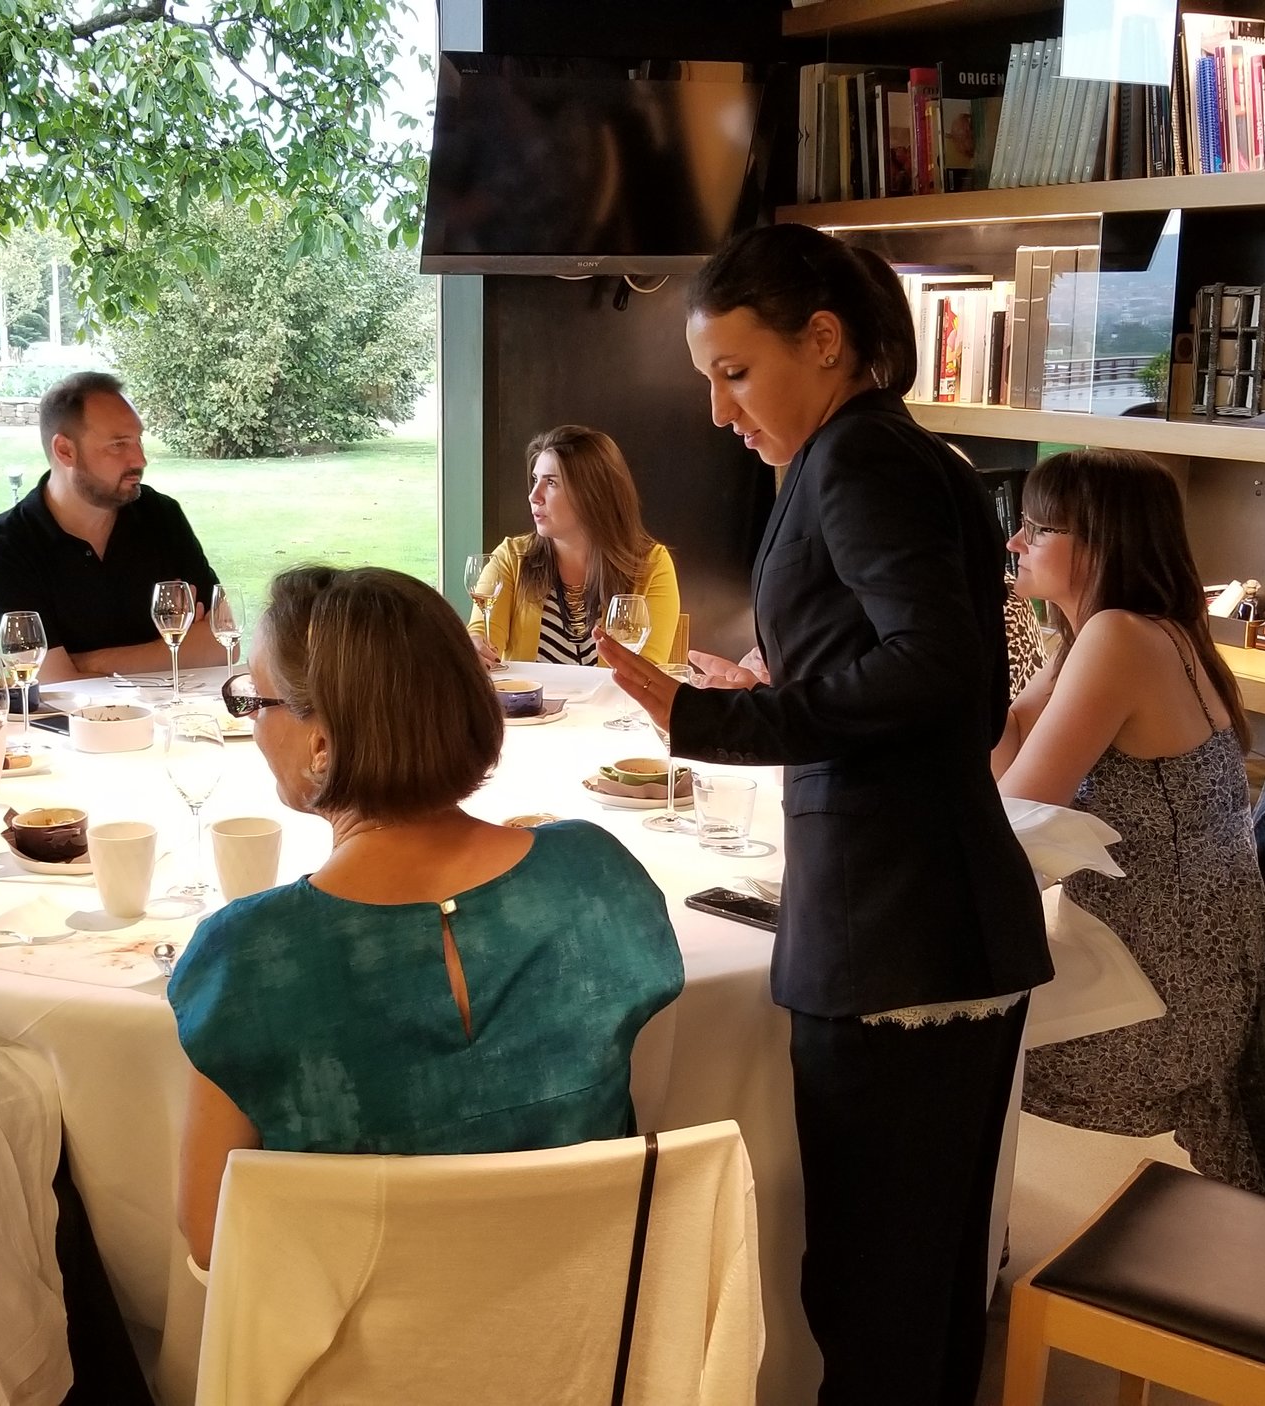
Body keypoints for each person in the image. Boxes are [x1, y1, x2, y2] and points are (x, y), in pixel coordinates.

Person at [598, 223, 1051, 1406]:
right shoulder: (887, 453)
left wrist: (724, 724)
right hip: (934, 919)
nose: (716, 410)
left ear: (825, 340)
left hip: (898, 934)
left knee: (870, 1302)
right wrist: (771, 689)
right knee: (920, 1296)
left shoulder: (857, 460)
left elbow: (941, 672)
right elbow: (943, 674)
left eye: (735, 373)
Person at [168, 565, 684, 1268]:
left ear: (323, 742)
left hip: (355, 1362)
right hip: (585, 1350)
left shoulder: (248, 956)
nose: (254, 726)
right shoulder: (598, 880)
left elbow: (210, 1234)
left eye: (257, 701)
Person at [990, 448, 1265, 1191]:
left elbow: (1011, 812)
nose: (1015, 544)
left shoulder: (1117, 639)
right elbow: (1005, 748)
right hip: (1179, 968)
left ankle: (970, 1262)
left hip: (1160, 995)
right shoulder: (1122, 633)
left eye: (1036, 530)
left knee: (943, 1032)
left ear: (1101, 546)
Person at [0, 370, 220, 681]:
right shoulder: (3, 550)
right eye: (118, 444)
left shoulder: (160, 516)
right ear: (65, 451)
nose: (139, 459)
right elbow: (50, 685)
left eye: (138, 440)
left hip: (177, 723)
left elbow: (222, 645)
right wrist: (169, 654)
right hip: (65, 730)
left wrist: (86, 663)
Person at [466, 425, 681, 667]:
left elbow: (646, 673)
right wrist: (475, 645)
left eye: (551, 483)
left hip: (615, 706)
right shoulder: (511, 557)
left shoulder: (650, 564)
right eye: (535, 480)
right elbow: (480, 635)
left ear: (593, 493)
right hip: (529, 706)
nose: (533, 495)